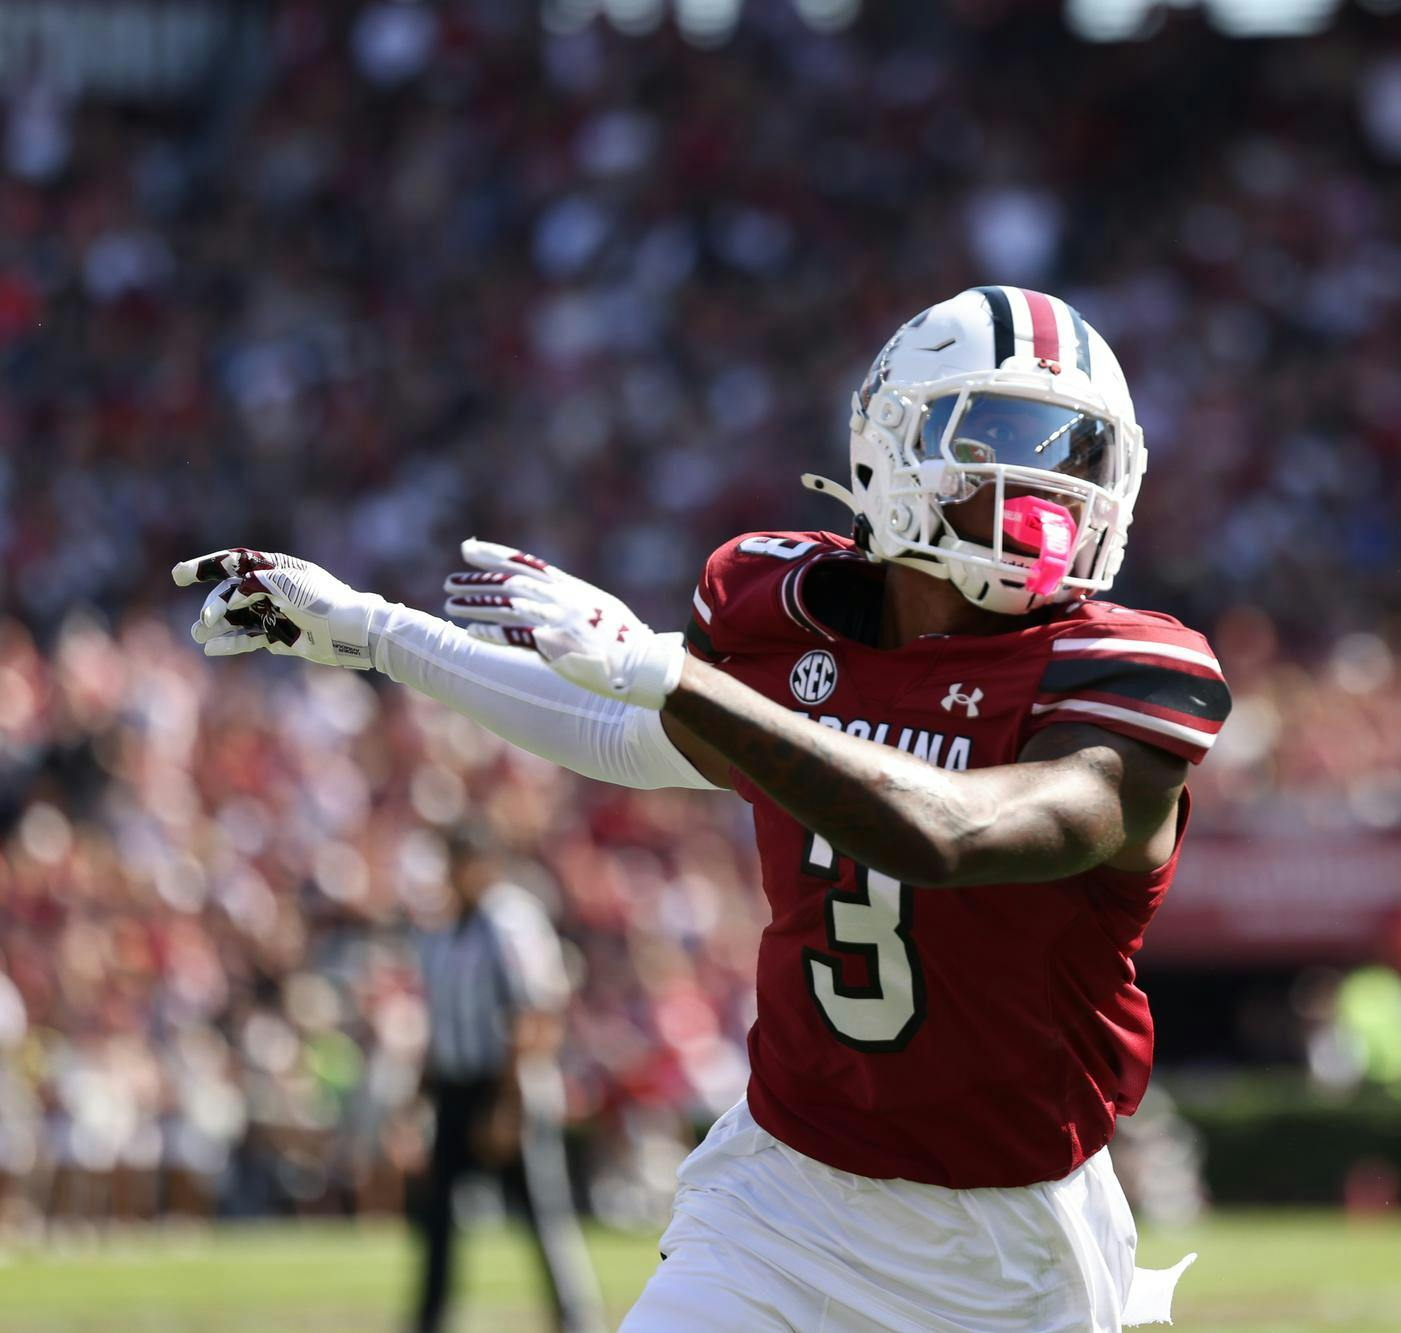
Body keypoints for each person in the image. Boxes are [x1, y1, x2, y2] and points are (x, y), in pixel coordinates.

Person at [173, 286, 1229, 1331]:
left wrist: (671, 674)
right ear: (892, 445)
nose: (1043, 480)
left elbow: (953, 832)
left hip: (1010, 1248)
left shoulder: (1120, 676)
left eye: (1074, 448)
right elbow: (618, 734)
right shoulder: (786, 616)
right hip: (783, 1201)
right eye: (1001, 432)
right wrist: (374, 632)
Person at [410, 826, 603, 1333]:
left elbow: (533, 1015)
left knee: (543, 1210)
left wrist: (508, 1105)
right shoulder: (443, 927)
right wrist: (418, 1096)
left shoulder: (509, 921)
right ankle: (430, 1317)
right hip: (456, 1087)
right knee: (436, 1216)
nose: (455, 874)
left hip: (505, 1085)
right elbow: (439, 1022)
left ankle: (575, 1317)